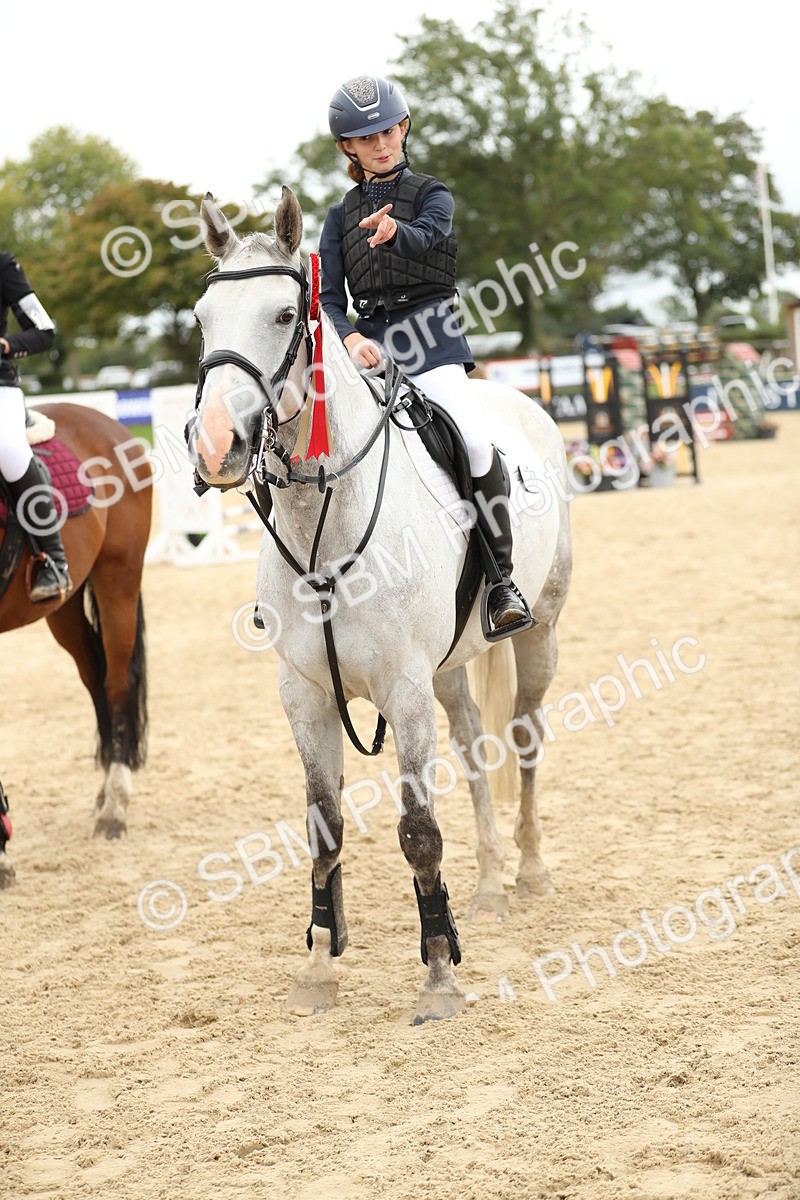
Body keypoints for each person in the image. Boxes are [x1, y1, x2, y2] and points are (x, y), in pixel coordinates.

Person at [320, 74, 531, 635]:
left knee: (475, 442)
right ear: (349, 147)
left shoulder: (433, 194)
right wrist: (348, 337)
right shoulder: (338, 218)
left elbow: (428, 238)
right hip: (370, 352)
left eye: (389, 131)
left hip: (433, 339)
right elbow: (327, 299)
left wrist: (395, 233)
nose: (381, 144)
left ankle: (502, 583)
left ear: (404, 127)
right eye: (367, 138)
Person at [0, 251, 72, 602]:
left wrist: (7, 344)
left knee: (8, 450)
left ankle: (54, 561)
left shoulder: (4, 266)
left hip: (0, 387)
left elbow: (44, 332)